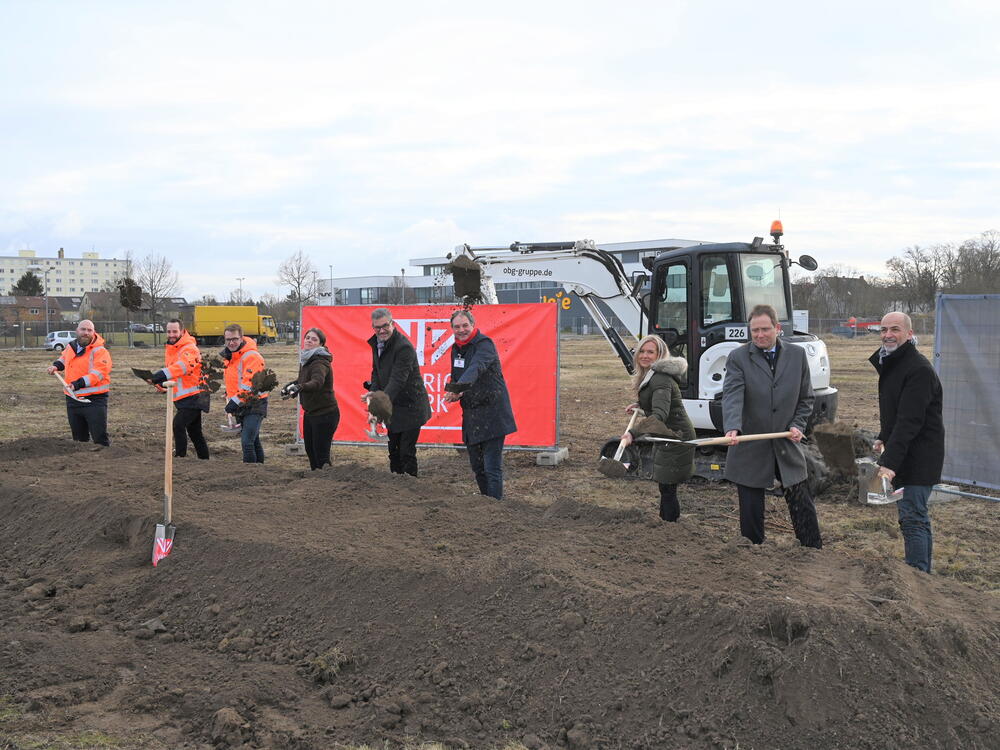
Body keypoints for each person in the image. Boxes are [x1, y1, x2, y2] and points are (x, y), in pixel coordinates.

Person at [721, 304, 822, 548]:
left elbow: (806, 398)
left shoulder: (797, 356)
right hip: (751, 441)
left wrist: (798, 425)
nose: (759, 335)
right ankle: (752, 548)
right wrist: (733, 427)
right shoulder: (739, 358)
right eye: (754, 330)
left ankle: (812, 547)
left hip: (786, 440)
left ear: (777, 328)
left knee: (800, 497)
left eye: (765, 329)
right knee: (750, 504)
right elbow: (733, 394)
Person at [870, 311, 944, 573]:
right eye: (883, 329)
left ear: (910, 334)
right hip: (906, 452)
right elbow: (896, 412)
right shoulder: (894, 363)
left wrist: (889, 464)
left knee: (913, 517)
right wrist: (883, 437)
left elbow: (909, 421)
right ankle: (921, 573)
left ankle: (918, 576)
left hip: (919, 456)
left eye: (895, 329)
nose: (888, 335)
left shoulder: (918, 370)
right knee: (915, 517)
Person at [619, 335, 696, 521]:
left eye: (650, 352)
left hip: (675, 438)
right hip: (667, 435)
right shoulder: (653, 375)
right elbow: (659, 401)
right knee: (665, 485)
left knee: (667, 485)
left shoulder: (660, 378)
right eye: (642, 352)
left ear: (659, 355)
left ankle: (669, 524)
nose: (645, 356)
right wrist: (640, 404)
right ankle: (667, 521)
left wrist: (632, 433)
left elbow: (659, 415)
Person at [443, 309, 517, 500]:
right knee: (477, 467)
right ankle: (485, 504)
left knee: (491, 467)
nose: (461, 330)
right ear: (452, 329)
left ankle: (495, 507)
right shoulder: (456, 348)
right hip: (472, 414)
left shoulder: (484, 344)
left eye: (465, 325)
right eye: (457, 327)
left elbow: (476, 367)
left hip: (492, 413)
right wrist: (453, 391)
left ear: (473, 325)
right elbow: (456, 374)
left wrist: (459, 388)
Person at [364, 308, 431, 476]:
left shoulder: (404, 347)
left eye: (385, 325)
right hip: (392, 407)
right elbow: (376, 373)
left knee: (406, 453)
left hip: (411, 407)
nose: (381, 330)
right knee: (393, 452)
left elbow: (397, 381)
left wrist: (378, 407)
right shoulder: (377, 344)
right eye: (377, 327)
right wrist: (372, 397)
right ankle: (396, 489)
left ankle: (411, 489)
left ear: (392, 323)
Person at [148, 319, 209, 460]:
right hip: (184, 398)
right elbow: (175, 375)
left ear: (182, 331)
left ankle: (180, 457)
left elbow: (182, 367)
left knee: (178, 425)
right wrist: (160, 384)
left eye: (175, 331)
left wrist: (158, 376)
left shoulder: (189, 348)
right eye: (169, 331)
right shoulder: (171, 349)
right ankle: (205, 460)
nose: (171, 334)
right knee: (195, 432)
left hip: (196, 396)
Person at [46, 319, 113, 447]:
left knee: (99, 438)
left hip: (94, 400)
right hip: (73, 398)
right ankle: (81, 463)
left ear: (94, 332)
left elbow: (98, 373)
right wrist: (56, 366)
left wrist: (77, 384)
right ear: (77, 331)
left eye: (89, 330)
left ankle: (105, 463)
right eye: (83, 329)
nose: (86, 333)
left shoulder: (100, 351)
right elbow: (64, 358)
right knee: (79, 439)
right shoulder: (71, 346)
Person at [282, 327, 340, 470]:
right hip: (311, 413)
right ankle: (316, 480)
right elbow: (303, 380)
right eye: (308, 337)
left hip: (325, 414)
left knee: (321, 454)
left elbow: (317, 382)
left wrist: (300, 387)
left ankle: (326, 482)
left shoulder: (320, 362)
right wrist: (292, 386)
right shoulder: (307, 358)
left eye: (314, 339)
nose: (309, 340)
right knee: (310, 450)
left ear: (320, 344)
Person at [221, 323, 268, 463]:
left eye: (234, 338)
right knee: (254, 440)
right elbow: (237, 379)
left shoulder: (252, 356)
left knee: (247, 442)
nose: (231, 342)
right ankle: (260, 470)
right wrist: (228, 393)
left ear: (241, 338)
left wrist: (233, 402)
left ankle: (250, 473)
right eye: (228, 339)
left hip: (255, 403)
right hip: (241, 404)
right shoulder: (230, 357)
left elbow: (251, 385)